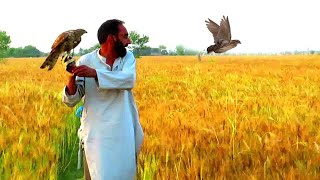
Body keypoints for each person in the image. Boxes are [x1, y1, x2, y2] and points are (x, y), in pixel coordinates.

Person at [62, 19, 144, 180]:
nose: (129, 41)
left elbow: (128, 80)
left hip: (123, 130)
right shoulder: (86, 60)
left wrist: (95, 74)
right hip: (97, 135)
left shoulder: (127, 58)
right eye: (125, 36)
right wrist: (71, 77)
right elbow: (72, 99)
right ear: (112, 38)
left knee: (125, 173)